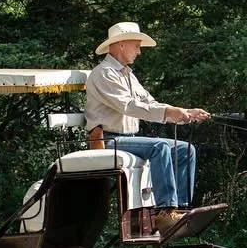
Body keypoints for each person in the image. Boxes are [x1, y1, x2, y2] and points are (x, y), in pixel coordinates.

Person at [85, 21, 210, 231]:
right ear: (121, 44)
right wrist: (170, 112)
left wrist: (183, 112)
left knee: (185, 149)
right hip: (108, 139)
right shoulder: (103, 73)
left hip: (128, 139)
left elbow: (149, 103)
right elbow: (129, 106)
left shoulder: (127, 75)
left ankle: (180, 208)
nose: (139, 52)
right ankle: (165, 211)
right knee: (159, 146)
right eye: (137, 45)